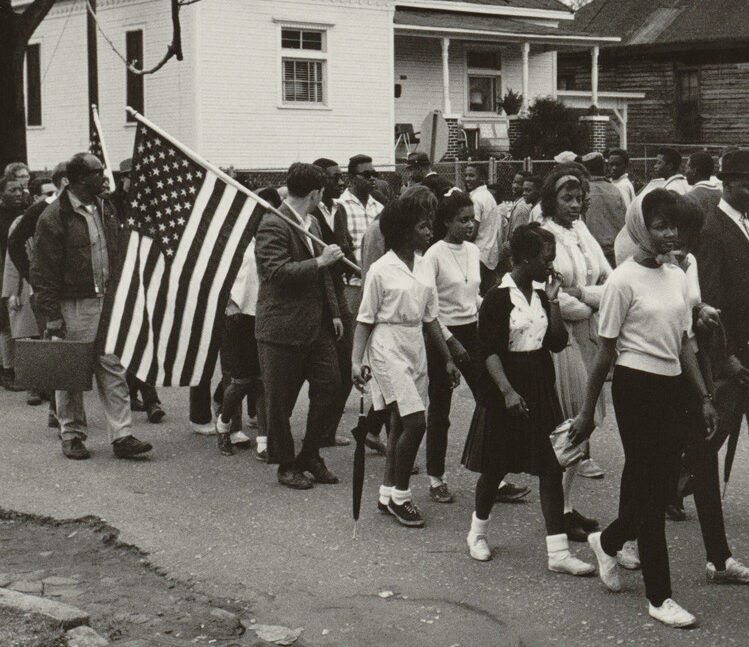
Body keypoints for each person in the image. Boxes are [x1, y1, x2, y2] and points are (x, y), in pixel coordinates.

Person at [570, 189, 718, 628]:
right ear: (640, 227)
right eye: (658, 225)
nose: (668, 232)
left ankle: (608, 540)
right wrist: (585, 412)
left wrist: (705, 398)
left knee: (659, 487)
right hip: (635, 389)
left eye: (672, 224)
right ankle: (660, 596)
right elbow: (604, 353)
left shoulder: (676, 275)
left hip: (673, 388)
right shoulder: (622, 280)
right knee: (653, 496)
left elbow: (685, 344)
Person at [461, 223, 594, 576]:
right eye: (545, 259)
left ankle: (558, 552)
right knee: (495, 467)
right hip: (507, 384)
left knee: (551, 468)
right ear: (522, 257)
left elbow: (555, 341)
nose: (551, 266)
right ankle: (477, 533)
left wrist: (551, 300)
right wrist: (506, 392)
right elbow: (488, 351)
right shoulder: (497, 296)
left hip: (538, 382)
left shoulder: (539, 293)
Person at [31, 153, 152, 460]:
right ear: (81, 179)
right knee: (70, 370)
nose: (105, 178)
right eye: (99, 173)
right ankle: (71, 433)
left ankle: (122, 435)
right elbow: (43, 272)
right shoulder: (54, 216)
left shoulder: (104, 206)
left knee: (112, 365)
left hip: (106, 300)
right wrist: (52, 319)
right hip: (74, 303)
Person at [352, 186, 459, 527]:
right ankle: (402, 496)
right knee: (415, 422)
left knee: (400, 422)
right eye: (423, 227)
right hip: (386, 345)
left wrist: (447, 358)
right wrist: (356, 361)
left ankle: (386, 494)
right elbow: (365, 320)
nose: (430, 232)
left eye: (430, 225)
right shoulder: (380, 271)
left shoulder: (426, 265)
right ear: (402, 231)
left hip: (415, 343)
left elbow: (431, 319)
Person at [255, 162, 344, 490]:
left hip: (316, 325)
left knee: (330, 385)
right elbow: (275, 272)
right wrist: (320, 261)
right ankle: (285, 463)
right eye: (323, 191)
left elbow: (324, 276)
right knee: (279, 401)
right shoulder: (273, 224)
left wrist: (333, 312)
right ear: (315, 193)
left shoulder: (313, 224)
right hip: (281, 328)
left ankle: (311, 453)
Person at [539, 168, 611, 541]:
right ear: (552, 199)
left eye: (579, 197)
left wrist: (590, 297)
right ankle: (559, 511)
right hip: (561, 338)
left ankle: (566, 505)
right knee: (570, 421)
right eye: (567, 198)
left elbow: (608, 278)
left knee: (585, 421)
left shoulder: (581, 231)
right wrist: (589, 303)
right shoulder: (544, 233)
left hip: (588, 336)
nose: (575, 204)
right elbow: (550, 292)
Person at [694, 149, 749, 522]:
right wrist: (724, 357)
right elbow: (709, 300)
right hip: (732, 355)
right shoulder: (712, 229)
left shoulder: (744, 222)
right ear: (728, 183)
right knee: (712, 433)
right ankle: (665, 487)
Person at [422, 191, 482, 503]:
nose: (470, 225)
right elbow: (428, 309)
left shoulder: (472, 250)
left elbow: (474, 296)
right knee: (440, 409)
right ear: (446, 221)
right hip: (442, 337)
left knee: (489, 400)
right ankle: (436, 477)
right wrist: (451, 343)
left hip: (472, 331)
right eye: (463, 220)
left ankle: (491, 475)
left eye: (472, 219)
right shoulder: (433, 255)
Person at [312, 157, 357, 448]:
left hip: (340, 290)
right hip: (315, 293)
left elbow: (346, 246)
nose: (340, 183)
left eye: (341, 177)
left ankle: (326, 430)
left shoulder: (338, 210)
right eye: (334, 178)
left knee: (346, 365)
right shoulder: (309, 213)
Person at [0, 176, 27, 391]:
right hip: (3, 273)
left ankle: (20, 369)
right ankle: (7, 370)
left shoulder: (26, 214)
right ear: (2, 194)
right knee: (5, 324)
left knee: (17, 320)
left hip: (17, 272)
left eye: (20, 189)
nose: (18, 193)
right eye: (12, 190)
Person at [581, 152, 627, 268]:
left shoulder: (583, 192)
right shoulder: (615, 190)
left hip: (594, 252)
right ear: (603, 167)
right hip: (616, 250)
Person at [464, 164, 500, 295]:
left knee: (475, 295)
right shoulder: (488, 196)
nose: (467, 179)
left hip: (478, 255)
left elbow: (472, 232)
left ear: (482, 178)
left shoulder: (476, 199)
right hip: (490, 254)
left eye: (472, 175)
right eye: (466, 175)